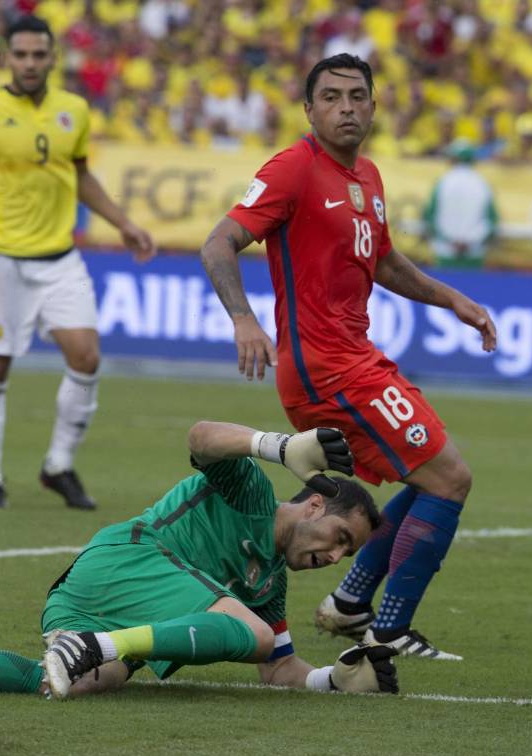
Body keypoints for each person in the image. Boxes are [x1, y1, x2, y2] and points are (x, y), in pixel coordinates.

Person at [199, 54, 497, 661]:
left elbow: (384, 262)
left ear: (373, 106)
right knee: (450, 477)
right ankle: (384, 631)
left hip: (356, 358)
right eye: (331, 97)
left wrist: (452, 299)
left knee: (436, 477)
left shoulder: (368, 178)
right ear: (309, 110)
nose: (346, 108)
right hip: (324, 369)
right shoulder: (293, 168)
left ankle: (355, 605)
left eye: (357, 96)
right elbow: (219, 242)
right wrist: (243, 319)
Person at [0, 421, 399, 700]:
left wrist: (332, 679)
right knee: (255, 632)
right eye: (339, 537)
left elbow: (278, 668)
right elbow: (200, 437)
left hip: (88, 597)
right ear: (313, 504)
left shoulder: (268, 585)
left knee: (76, 683)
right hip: (127, 559)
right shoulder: (252, 495)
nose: (334, 556)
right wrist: (277, 445)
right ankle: (96, 645)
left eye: (345, 553)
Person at [0, 15, 156, 511]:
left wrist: (122, 222)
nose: (31, 63)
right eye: (22, 55)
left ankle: (57, 465)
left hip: (60, 257)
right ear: (7, 57)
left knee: (87, 357)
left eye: (39, 54)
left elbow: (80, 176)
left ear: (53, 57)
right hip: (0, 259)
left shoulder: (73, 110)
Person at [423, 139, 499, 268]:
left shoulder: (442, 182)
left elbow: (430, 216)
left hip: (445, 250)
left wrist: (450, 242)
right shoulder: (482, 183)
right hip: (474, 252)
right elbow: (491, 220)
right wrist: (470, 242)